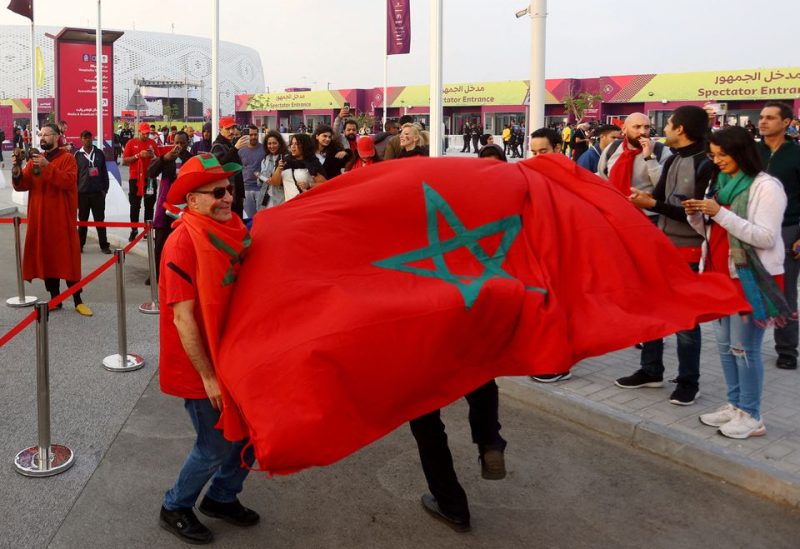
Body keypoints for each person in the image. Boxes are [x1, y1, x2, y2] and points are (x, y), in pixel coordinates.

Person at [158, 153, 259, 544]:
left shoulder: (234, 228)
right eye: (216, 192)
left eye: (229, 189)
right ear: (193, 200)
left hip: (236, 356)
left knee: (250, 434)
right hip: (201, 366)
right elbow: (184, 319)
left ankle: (221, 497)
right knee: (215, 445)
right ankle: (175, 505)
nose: (227, 197)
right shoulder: (181, 243)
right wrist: (208, 376)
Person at [686, 127, 790, 439]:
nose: (717, 161)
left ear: (741, 152)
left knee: (745, 349)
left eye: (722, 155)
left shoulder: (766, 186)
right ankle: (735, 405)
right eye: (713, 155)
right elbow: (712, 230)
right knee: (725, 346)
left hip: (750, 278)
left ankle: (753, 414)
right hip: (719, 275)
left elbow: (766, 237)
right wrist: (696, 214)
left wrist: (719, 213)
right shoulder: (723, 183)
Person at [616, 106, 716, 405]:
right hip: (662, 245)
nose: (663, 129)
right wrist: (642, 201)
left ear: (681, 129)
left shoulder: (706, 164)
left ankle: (688, 381)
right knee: (653, 309)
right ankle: (651, 369)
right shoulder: (672, 160)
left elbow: (696, 213)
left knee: (685, 319)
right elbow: (659, 198)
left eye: (668, 123)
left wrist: (652, 204)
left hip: (689, 250)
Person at [11, 124, 92, 316]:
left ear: (56, 137)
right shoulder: (34, 161)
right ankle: (55, 299)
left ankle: (78, 300)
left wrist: (48, 167)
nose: (42, 138)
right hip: (41, 220)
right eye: (40, 134)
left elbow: (67, 182)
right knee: (48, 261)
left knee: (68, 260)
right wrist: (17, 170)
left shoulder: (68, 159)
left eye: (46, 134)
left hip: (62, 220)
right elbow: (23, 185)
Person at [756, 102, 800, 370]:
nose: (763, 122)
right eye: (761, 117)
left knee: (784, 292)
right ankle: (745, 342)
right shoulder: (752, 152)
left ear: (786, 122)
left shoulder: (796, 155)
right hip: (751, 229)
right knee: (749, 287)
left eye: (770, 118)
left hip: (788, 229)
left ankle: (787, 349)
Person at [597, 112, 671, 223]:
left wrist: (649, 157)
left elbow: (665, 187)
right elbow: (603, 177)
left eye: (647, 127)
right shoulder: (613, 148)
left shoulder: (661, 151)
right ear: (624, 129)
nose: (643, 132)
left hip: (649, 217)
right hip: (615, 214)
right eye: (637, 127)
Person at [149, 130, 192, 281]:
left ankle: (179, 274)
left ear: (188, 143)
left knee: (182, 243)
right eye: (177, 142)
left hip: (184, 207)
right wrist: (163, 159)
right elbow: (151, 172)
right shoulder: (167, 157)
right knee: (160, 242)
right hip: (165, 206)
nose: (179, 146)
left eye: (182, 143)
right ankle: (156, 274)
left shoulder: (192, 159)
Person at [75, 130, 111, 255]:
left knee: (100, 220)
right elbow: (75, 176)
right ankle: (79, 245)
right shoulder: (77, 155)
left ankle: (104, 245)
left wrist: (105, 190)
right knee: (82, 221)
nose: (88, 140)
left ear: (92, 139)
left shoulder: (99, 153)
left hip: (97, 193)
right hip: (82, 193)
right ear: (81, 139)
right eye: (85, 138)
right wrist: (75, 192)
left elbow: (104, 173)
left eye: (89, 138)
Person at [122, 121, 159, 242]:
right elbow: (125, 161)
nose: (146, 136)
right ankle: (134, 230)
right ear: (139, 132)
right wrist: (138, 156)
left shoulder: (152, 143)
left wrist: (152, 155)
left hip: (149, 179)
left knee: (149, 206)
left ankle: (147, 231)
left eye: (148, 133)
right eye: (143, 133)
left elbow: (158, 160)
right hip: (135, 179)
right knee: (135, 205)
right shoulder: (131, 143)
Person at [269, 133, 326, 202]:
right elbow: (275, 183)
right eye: (292, 144)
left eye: (297, 144)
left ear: (305, 146)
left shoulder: (312, 163)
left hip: (307, 203)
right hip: (289, 204)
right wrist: (278, 169)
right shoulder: (285, 161)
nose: (293, 146)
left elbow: (324, 185)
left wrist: (309, 185)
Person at [211, 117, 249, 218]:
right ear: (220, 129)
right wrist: (235, 148)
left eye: (233, 128)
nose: (232, 131)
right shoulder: (218, 146)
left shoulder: (228, 143)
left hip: (235, 193)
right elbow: (218, 166)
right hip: (227, 194)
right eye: (228, 129)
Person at [237, 125, 267, 219]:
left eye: (255, 134)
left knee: (262, 218)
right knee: (249, 219)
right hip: (246, 190)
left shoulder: (265, 149)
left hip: (261, 188)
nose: (254, 137)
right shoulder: (240, 151)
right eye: (251, 135)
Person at [257, 129, 289, 209]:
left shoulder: (287, 158)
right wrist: (260, 178)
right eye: (269, 143)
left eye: (274, 143)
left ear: (280, 143)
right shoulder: (266, 159)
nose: (272, 146)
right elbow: (260, 182)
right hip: (265, 199)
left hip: (281, 199)